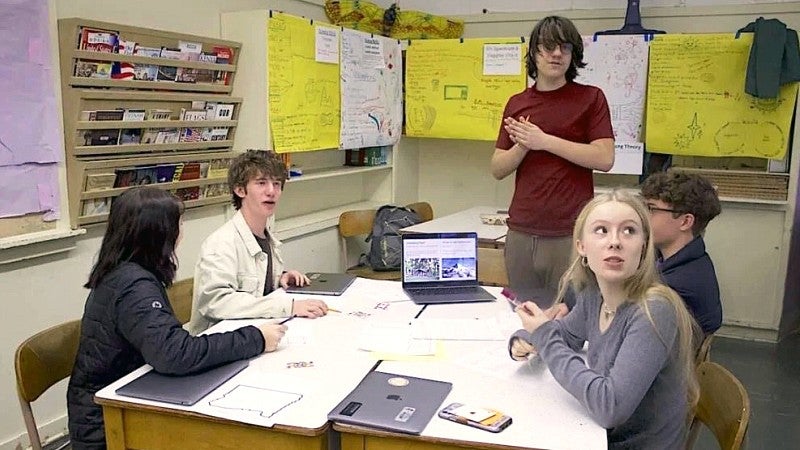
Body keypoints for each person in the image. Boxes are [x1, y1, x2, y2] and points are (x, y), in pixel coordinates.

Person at [67, 187, 286, 450]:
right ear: (158, 232)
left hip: (130, 394)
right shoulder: (133, 285)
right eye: (178, 223)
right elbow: (175, 354)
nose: (182, 229)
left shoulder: (125, 270)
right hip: (107, 422)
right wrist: (256, 338)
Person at [508, 189, 699, 449]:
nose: (615, 242)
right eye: (601, 230)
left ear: (644, 247)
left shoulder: (654, 310)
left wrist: (544, 336)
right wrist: (528, 336)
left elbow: (610, 407)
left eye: (629, 231)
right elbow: (565, 334)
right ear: (581, 246)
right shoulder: (594, 295)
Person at [490, 16, 615, 306]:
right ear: (534, 53)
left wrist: (544, 141)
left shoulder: (590, 98)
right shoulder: (517, 102)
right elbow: (497, 168)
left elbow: (604, 157)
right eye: (548, 47)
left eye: (565, 48)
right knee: (524, 315)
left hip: (569, 232)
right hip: (521, 230)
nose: (557, 54)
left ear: (573, 56)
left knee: (570, 317)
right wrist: (523, 146)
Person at [187, 150, 328, 335]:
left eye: (276, 184)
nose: (271, 191)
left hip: (256, 333)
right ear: (240, 190)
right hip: (220, 342)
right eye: (261, 183)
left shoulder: (266, 237)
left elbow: (255, 288)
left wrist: (279, 279)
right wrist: (289, 306)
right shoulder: (221, 243)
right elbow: (216, 303)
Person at [641, 171, 723, 335]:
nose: (642, 216)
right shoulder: (685, 258)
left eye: (651, 209)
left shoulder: (677, 285)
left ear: (685, 222)